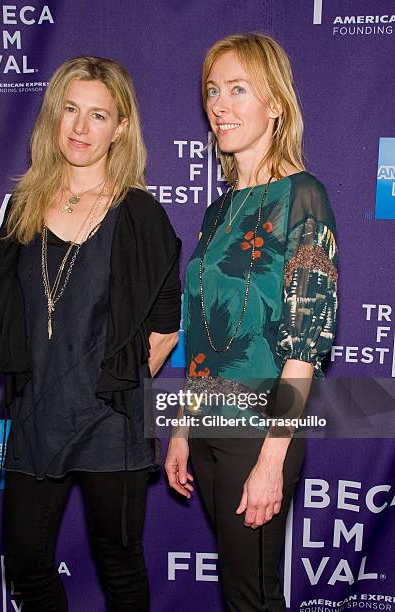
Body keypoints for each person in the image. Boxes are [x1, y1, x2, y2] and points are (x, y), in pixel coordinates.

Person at [0, 56, 181, 612]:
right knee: (26, 561)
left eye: (98, 115)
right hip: (36, 418)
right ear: (54, 116)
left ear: (120, 127)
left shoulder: (139, 214)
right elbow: (10, 316)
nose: (80, 127)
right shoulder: (23, 209)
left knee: (118, 565)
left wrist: (104, 380)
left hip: (108, 423)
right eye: (70, 110)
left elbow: (165, 331)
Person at [165, 33, 338, 611]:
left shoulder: (303, 197)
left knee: (251, 600)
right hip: (209, 429)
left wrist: (272, 457)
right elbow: (203, 332)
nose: (220, 105)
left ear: (276, 105)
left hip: (260, 433)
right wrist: (185, 429)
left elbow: (306, 342)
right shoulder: (219, 210)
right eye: (213, 91)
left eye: (239, 89)